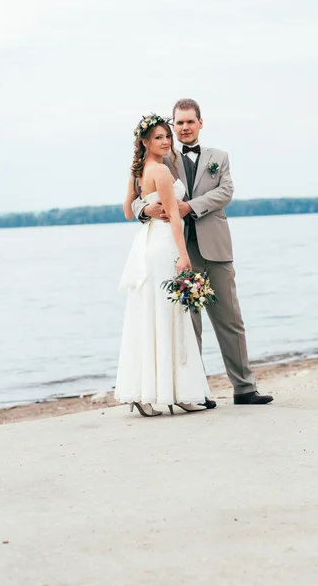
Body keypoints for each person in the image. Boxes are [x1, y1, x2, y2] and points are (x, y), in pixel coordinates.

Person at [132, 99, 273, 405]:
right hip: (178, 250)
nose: (184, 128)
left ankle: (245, 388)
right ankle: (196, 392)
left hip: (217, 247)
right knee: (187, 323)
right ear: (172, 125)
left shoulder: (218, 157)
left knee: (230, 319)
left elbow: (225, 192)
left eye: (189, 122)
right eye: (178, 123)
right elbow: (137, 196)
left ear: (200, 123)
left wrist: (189, 207)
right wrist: (146, 209)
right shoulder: (161, 156)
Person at [114, 114, 212, 417]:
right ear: (145, 142)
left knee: (150, 315)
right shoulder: (160, 171)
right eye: (159, 137)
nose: (166, 141)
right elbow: (174, 216)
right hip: (163, 247)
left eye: (167, 136)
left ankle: (149, 394)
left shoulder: (138, 172)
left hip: (145, 244)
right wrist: (184, 256)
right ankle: (177, 392)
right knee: (171, 317)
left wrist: (144, 207)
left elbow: (128, 212)